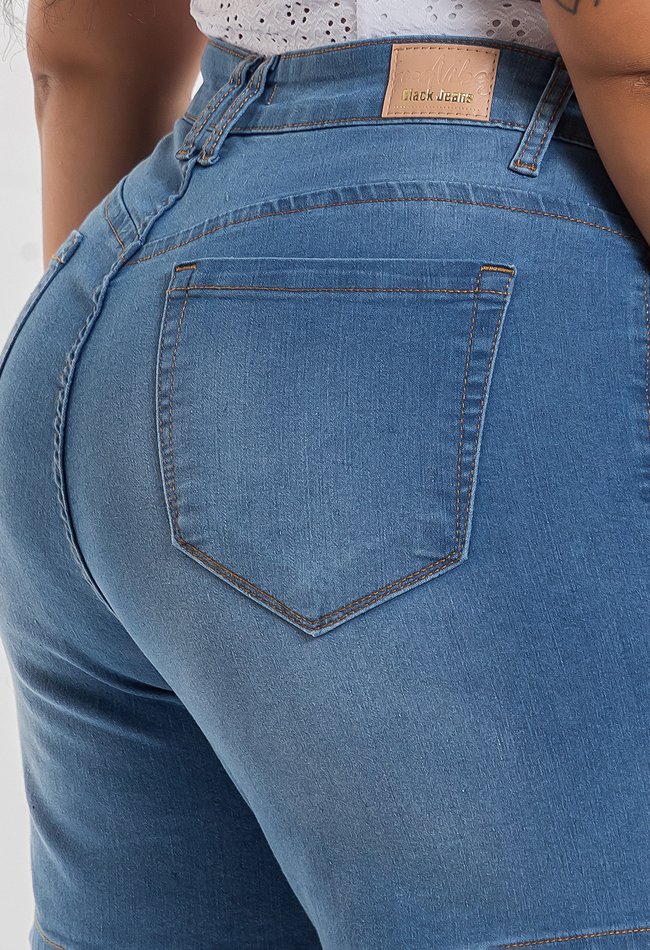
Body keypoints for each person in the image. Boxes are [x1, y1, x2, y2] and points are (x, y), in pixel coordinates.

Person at [0, 1, 648, 947]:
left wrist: (169, 409)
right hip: (439, 305)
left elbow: (88, 47)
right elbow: (632, 54)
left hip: (119, 298)